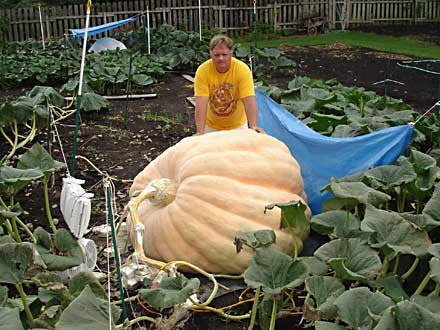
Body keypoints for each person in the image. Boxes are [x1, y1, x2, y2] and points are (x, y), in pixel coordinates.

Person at [193, 34, 265, 135]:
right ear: (211, 55)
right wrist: (200, 131)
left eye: (224, 54)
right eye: (217, 55)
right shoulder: (203, 71)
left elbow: (249, 100)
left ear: (231, 53)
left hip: (238, 125)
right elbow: (201, 102)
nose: (220, 58)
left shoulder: (242, 70)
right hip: (211, 126)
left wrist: (253, 126)